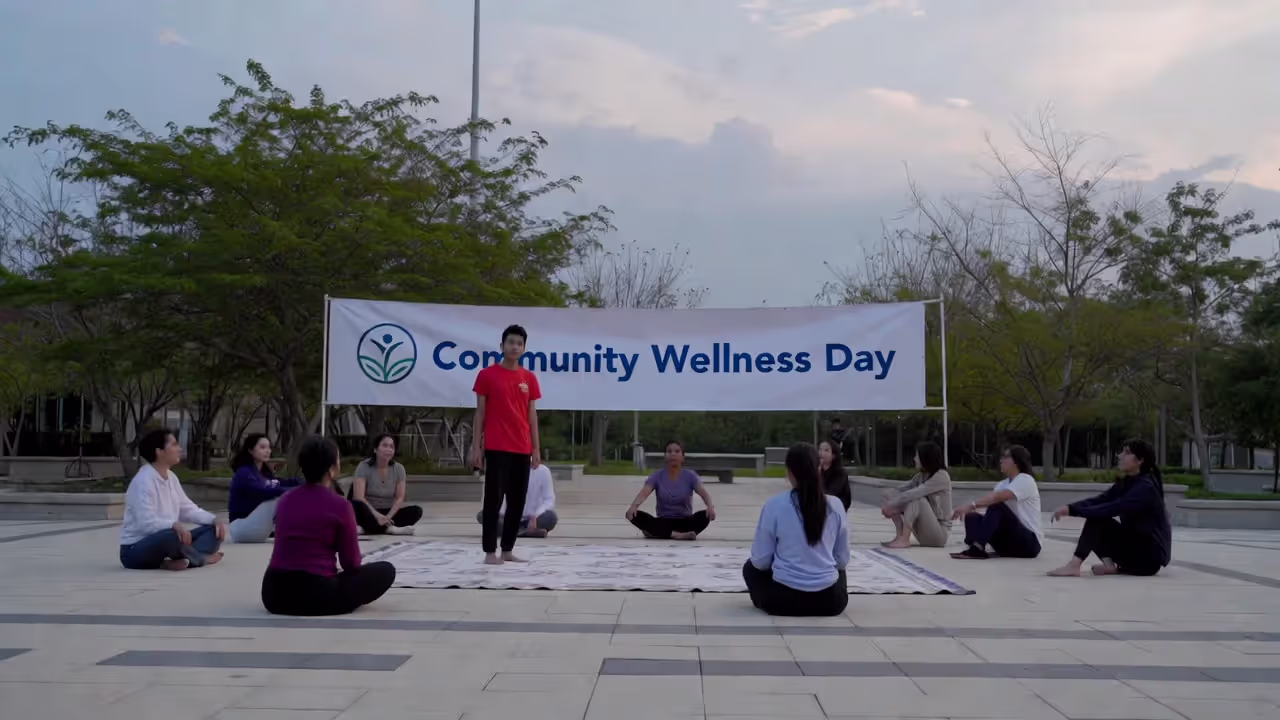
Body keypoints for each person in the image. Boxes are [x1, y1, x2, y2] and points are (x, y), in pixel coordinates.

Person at [261, 435, 396, 616]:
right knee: (386, 571)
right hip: (318, 594)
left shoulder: (284, 500)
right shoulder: (340, 506)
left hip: (275, 595)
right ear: (332, 470)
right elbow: (351, 563)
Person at [743, 443, 849, 617]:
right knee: (839, 570)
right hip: (830, 602)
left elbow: (761, 561)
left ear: (789, 471)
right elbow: (842, 560)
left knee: (749, 568)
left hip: (782, 600)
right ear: (818, 468)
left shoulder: (774, 505)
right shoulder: (836, 506)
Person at [1047, 439, 1172, 578]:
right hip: (1136, 551)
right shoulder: (1129, 481)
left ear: (1140, 460)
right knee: (1097, 515)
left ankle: (1074, 565)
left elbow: (1111, 508)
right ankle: (1109, 565)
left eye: (1127, 453)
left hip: (1147, 560)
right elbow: (1101, 500)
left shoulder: (1146, 488)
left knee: (1098, 517)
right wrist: (1070, 507)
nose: (1120, 456)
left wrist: (1073, 511)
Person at [470, 324, 542, 565]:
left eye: (519, 343)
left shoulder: (528, 378)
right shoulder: (487, 375)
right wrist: (475, 446)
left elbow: (532, 415)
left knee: (517, 501)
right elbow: (480, 413)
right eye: (511, 342)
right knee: (493, 500)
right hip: (496, 446)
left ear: (524, 348)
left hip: (522, 447)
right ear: (502, 346)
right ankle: (490, 552)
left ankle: (508, 549)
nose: (515, 347)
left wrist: (536, 448)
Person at [119, 428, 226, 571]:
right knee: (171, 537)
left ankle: (177, 559)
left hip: (170, 539)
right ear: (159, 452)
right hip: (136, 550)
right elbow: (146, 524)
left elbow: (188, 509)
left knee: (214, 530)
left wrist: (213, 519)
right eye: (174, 445)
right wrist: (173, 525)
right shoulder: (143, 481)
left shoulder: (171, 477)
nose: (179, 449)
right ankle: (200, 558)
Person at [950, 445, 1043, 560]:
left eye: (1005, 457)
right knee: (972, 517)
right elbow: (992, 507)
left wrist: (971, 505)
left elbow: (998, 498)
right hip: (1008, 543)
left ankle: (977, 549)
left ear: (1016, 461)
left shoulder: (1025, 480)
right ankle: (975, 546)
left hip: (1029, 544)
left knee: (997, 505)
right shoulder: (1001, 484)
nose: (1001, 460)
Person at [625, 440, 717, 540]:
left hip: (685, 522)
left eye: (677, 451)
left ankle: (658, 533)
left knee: (704, 516)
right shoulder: (657, 475)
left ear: (682, 457)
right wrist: (633, 506)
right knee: (634, 515)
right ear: (665, 456)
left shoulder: (690, 476)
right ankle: (675, 534)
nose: (673, 454)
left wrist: (710, 507)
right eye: (669, 451)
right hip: (663, 521)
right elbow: (643, 494)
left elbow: (704, 495)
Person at [227, 434, 301, 543]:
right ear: (250, 450)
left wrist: (309, 484)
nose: (268, 451)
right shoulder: (244, 473)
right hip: (241, 528)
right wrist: (296, 491)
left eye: (269, 447)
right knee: (279, 498)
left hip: (256, 529)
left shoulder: (264, 473)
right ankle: (295, 531)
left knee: (284, 494)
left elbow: (283, 482)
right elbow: (261, 491)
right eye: (263, 447)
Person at [880, 441, 952, 549]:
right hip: (923, 532)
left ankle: (904, 539)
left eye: (917, 456)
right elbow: (901, 490)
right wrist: (890, 499)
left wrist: (891, 505)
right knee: (890, 493)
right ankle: (899, 536)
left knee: (917, 499)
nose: (914, 459)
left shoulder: (941, 476)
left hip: (938, 535)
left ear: (926, 458)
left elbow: (913, 494)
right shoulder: (921, 476)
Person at [349, 433, 422, 536]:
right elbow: (359, 497)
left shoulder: (399, 469)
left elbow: (399, 498)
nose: (388, 449)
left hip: (387, 511)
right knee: (353, 505)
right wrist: (377, 516)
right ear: (375, 449)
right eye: (384, 445)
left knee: (416, 511)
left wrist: (388, 517)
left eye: (391, 446)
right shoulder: (364, 466)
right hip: (367, 510)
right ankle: (390, 529)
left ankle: (367, 529)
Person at [475, 462, 558, 538]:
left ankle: (510, 532)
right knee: (483, 515)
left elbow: (549, 500)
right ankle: (526, 533)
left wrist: (535, 516)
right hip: (506, 519)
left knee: (551, 517)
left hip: (532, 520)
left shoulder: (542, 471)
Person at [818, 440, 852, 511]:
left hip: (836, 510)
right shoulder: (818, 470)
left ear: (834, 455)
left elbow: (832, 493)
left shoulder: (840, 473)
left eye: (826, 450)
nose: (821, 453)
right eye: (820, 449)